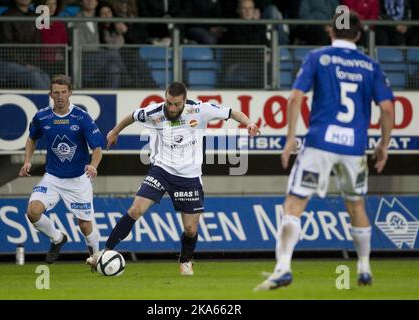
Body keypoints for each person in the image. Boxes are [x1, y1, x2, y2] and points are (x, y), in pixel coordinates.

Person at [254, 11, 394, 290]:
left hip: (319, 144)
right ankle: (364, 267)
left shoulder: (318, 58)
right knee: (356, 205)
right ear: (358, 35)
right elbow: (388, 108)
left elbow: (295, 98)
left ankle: (283, 268)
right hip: (354, 148)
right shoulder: (370, 65)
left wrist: (290, 139)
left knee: (294, 204)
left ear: (330, 32)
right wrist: (384, 144)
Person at [87, 81, 260, 275]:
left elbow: (232, 112)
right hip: (161, 170)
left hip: (189, 177)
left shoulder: (200, 109)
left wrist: (249, 123)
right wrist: (115, 131)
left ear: (184, 101)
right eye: (169, 102)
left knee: (190, 229)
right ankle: (105, 252)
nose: (172, 107)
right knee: (135, 210)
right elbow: (132, 116)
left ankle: (185, 260)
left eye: (176, 104)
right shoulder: (155, 112)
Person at [19, 75, 104, 263]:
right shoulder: (42, 116)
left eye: (64, 92)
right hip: (53, 177)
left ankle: (96, 258)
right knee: (32, 211)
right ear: (50, 94)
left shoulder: (81, 117)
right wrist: (27, 161)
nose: (60, 96)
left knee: (84, 224)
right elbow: (32, 138)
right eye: (56, 92)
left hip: (78, 179)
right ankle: (57, 238)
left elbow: (97, 147)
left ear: (70, 93)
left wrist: (93, 165)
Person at [0, 0, 50, 89]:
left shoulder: (34, 16)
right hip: (6, 63)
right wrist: (24, 64)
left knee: (45, 76)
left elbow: (37, 44)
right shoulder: (7, 16)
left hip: (28, 64)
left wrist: (31, 63)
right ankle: (48, 103)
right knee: (34, 76)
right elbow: (7, 47)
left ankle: (51, 102)